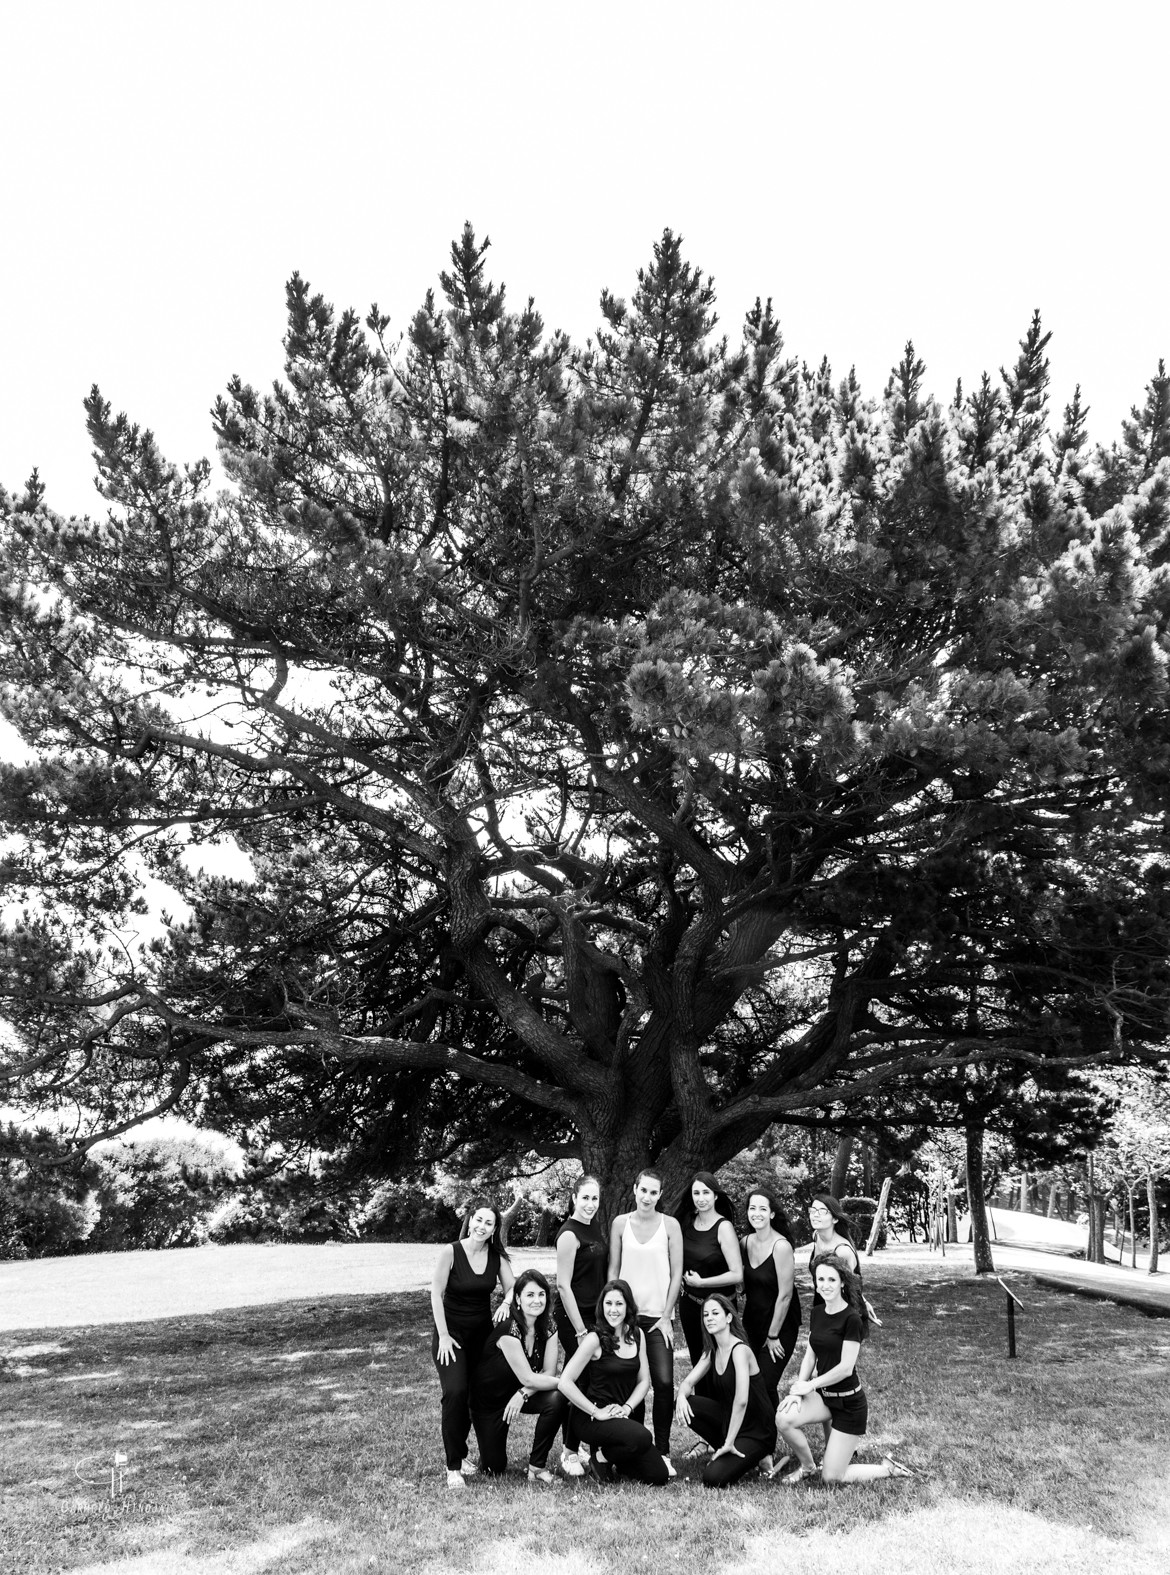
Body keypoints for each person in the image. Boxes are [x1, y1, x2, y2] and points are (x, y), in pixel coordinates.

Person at [774, 1254, 913, 1484]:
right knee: (783, 1418)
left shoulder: (852, 1319)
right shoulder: (817, 1313)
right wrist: (799, 1390)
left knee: (832, 1477)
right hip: (825, 1399)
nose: (825, 1285)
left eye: (831, 1279)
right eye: (820, 1280)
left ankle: (888, 1469)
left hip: (849, 1404)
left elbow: (845, 1369)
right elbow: (810, 1354)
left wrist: (810, 1384)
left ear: (842, 1283)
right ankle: (808, 1466)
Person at [430, 1196, 515, 1488]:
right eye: (478, 1219)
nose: (482, 1226)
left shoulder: (497, 1257)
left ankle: (465, 1455)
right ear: (470, 1220)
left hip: (481, 1336)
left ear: (494, 1229)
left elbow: (514, 1287)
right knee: (455, 1392)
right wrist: (442, 1335)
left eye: (488, 1222)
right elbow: (435, 1294)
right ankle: (453, 1466)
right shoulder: (451, 1252)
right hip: (450, 1335)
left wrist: (506, 1301)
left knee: (472, 1395)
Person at [557, 1279, 670, 1485]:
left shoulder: (637, 1335)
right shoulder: (594, 1338)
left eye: (619, 1304)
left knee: (658, 1475)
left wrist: (627, 1408)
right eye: (608, 1304)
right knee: (643, 1437)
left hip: (624, 1416)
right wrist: (596, 1412)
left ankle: (607, 1458)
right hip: (594, 1418)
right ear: (602, 1306)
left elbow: (644, 1381)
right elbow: (565, 1382)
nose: (613, 1310)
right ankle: (599, 1457)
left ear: (628, 1306)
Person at [607, 1168, 683, 1474]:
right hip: (626, 1318)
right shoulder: (619, 1224)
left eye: (654, 1192)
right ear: (634, 1189)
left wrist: (667, 1316)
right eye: (643, 1190)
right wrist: (612, 1312)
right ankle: (634, 1449)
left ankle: (662, 1451)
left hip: (658, 1318)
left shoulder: (671, 1225)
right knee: (630, 1384)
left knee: (663, 1382)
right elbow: (613, 1269)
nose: (648, 1197)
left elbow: (676, 1272)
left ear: (660, 1195)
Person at [470, 1269, 569, 1483]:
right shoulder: (509, 1330)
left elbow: (547, 1373)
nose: (537, 1300)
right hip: (490, 1401)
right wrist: (566, 1384)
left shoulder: (550, 1326)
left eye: (541, 1294)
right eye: (530, 1295)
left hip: (519, 1394)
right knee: (493, 1468)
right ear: (518, 1298)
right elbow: (529, 1377)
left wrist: (523, 1394)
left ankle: (536, 1467)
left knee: (557, 1399)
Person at [674, 1294, 778, 1487]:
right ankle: (732, 1450)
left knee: (713, 1478)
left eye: (715, 1313)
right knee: (689, 1403)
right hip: (731, 1420)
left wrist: (729, 1443)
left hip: (756, 1429)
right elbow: (688, 1383)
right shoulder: (712, 1350)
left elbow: (741, 1401)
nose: (709, 1318)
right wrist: (680, 1395)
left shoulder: (740, 1350)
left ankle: (759, 1454)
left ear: (729, 1317)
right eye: (706, 1315)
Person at [554, 1173, 607, 1477]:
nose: (589, 1204)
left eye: (594, 1198)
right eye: (584, 1197)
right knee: (577, 1380)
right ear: (574, 1198)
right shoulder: (569, 1235)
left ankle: (581, 1445)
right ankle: (569, 1452)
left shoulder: (594, 1227)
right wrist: (579, 1330)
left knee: (591, 1380)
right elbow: (563, 1286)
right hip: (574, 1316)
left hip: (596, 1316)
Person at [740, 1187, 800, 1423]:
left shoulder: (781, 1246)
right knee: (751, 1382)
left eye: (762, 1209)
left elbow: (785, 1295)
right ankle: (760, 1436)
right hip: (752, 1322)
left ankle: (768, 1439)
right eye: (752, 1208)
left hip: (780, 1325)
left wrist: (773, 1335)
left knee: (765, 1382)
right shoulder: (744, 1242)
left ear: (772, 1214)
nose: (757, 1213)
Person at [677, 1171, 743, 1375]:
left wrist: (701, 1282)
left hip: (720, 1308)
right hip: (690, 1305)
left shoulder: (724, 1227)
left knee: (720, 1365)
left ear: (715, 1196)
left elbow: (737, 1274)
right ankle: (702, 1406)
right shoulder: (686, 1223)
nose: (701, 1198)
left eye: (706, 1192)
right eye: (696, 1193)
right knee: (698, 1362)